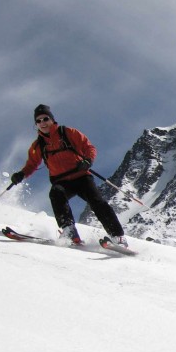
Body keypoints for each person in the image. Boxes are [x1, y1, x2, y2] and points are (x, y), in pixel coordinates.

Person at [11, 104, 127, 247]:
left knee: (97, 201)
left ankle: (118, 237)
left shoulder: (68, 133)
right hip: (62, 181)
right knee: (56, 193)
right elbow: (32, 164)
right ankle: (70, 233)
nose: (42, 123)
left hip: (81, 177)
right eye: (38, 121)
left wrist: (87, 161)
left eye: (45, 119)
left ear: (52, 119)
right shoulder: (38, 145)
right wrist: (21, 174)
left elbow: (89, 147)